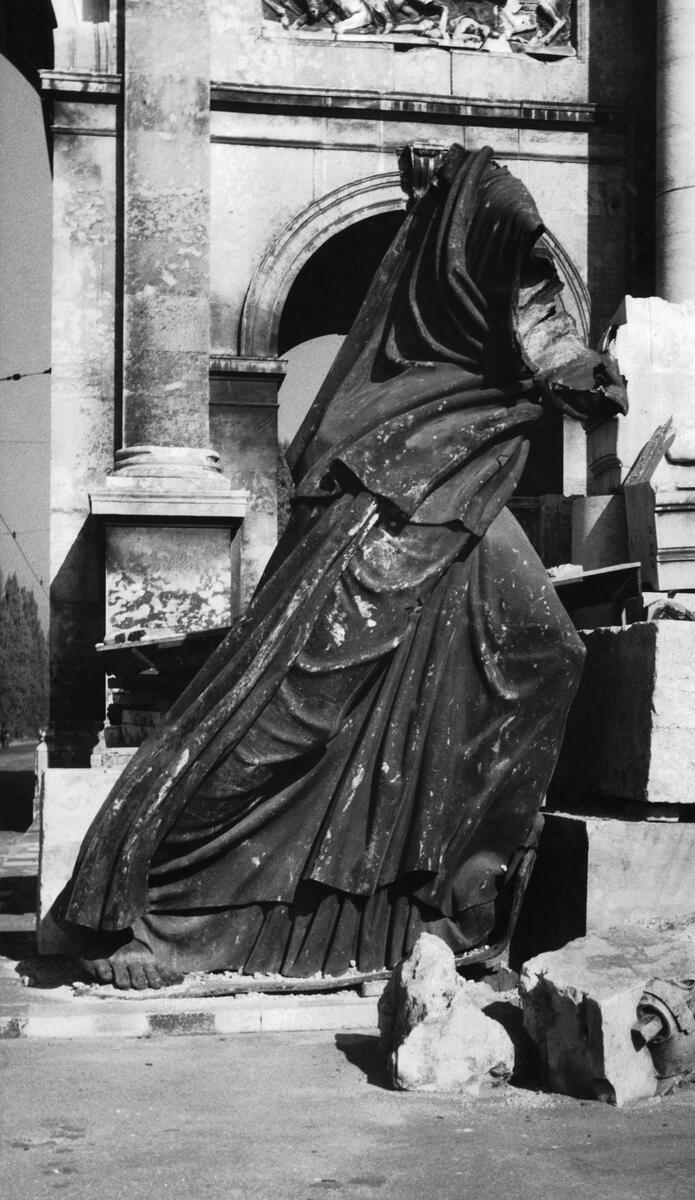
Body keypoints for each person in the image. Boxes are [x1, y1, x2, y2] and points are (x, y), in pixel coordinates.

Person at [56, 145, 625, 990]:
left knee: (540, 654)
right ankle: (166, 910)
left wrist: (591, 370)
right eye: (523, 270)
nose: (535, 289)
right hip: (399, 494)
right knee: (292, 711)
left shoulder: (487, 267)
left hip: (456, 488)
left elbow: (557, 353)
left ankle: (442, 902)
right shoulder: (444, 318)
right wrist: (581, 370)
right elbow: (550, 349)